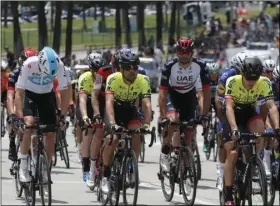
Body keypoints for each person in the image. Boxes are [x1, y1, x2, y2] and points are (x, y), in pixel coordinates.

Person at [223, 56, 279, 205]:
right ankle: (228, 196)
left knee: (260, 130)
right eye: (248, 78)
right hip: (233, 114)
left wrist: (277, 128)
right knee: (233, 153)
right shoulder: (232, 81)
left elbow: (271, 106)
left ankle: (252, 160)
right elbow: (229, 106)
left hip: (249, 112)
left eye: (254, 79)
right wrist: (234, 128)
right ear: (242, 73)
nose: (251, 82)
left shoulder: (264, 82)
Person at [15, 46, 69, 183]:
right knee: (29, 125)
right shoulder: (28, 64)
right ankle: (24, 166)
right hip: (29, 95)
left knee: (50, 133)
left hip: (46, 96)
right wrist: (20, 117)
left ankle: (46, 168)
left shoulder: (60, 65)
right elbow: (19, 92)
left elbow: (65, 92)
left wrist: (62, 116)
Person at [101, 50, 152, 193]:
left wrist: (147, 124)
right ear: (121, 69)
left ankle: (131, 168)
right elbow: (109, 102)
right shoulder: (113, 78)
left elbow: (147, 104)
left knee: (137, 133)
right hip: (114, 111)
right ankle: (105, 175)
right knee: (113, 138)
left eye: (135, 67)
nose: (132, 71)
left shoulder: (143, 80)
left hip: (130, 110)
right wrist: (112, 123)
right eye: (128, 68)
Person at [158, 37, 211, 172]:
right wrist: (163, 115)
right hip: (173, 95)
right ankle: (165, 153)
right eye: (181, 52)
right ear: (177, 52)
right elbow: (162, 93)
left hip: (188, 96)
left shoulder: (201, 65)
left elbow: (206, 92)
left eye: (187, 52)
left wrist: (204, 114)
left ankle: (186, 167)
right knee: (173, 120)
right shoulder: (169, 66)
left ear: (192, 53)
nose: (184, 55)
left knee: (189, 131)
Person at [6, 48, 38, 161]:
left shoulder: (38, 73)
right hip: (18, 98)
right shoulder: (15, 74)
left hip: (31, 100)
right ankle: (12, 141)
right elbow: (10, 96)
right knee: (12, 120)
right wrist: (12, 115)